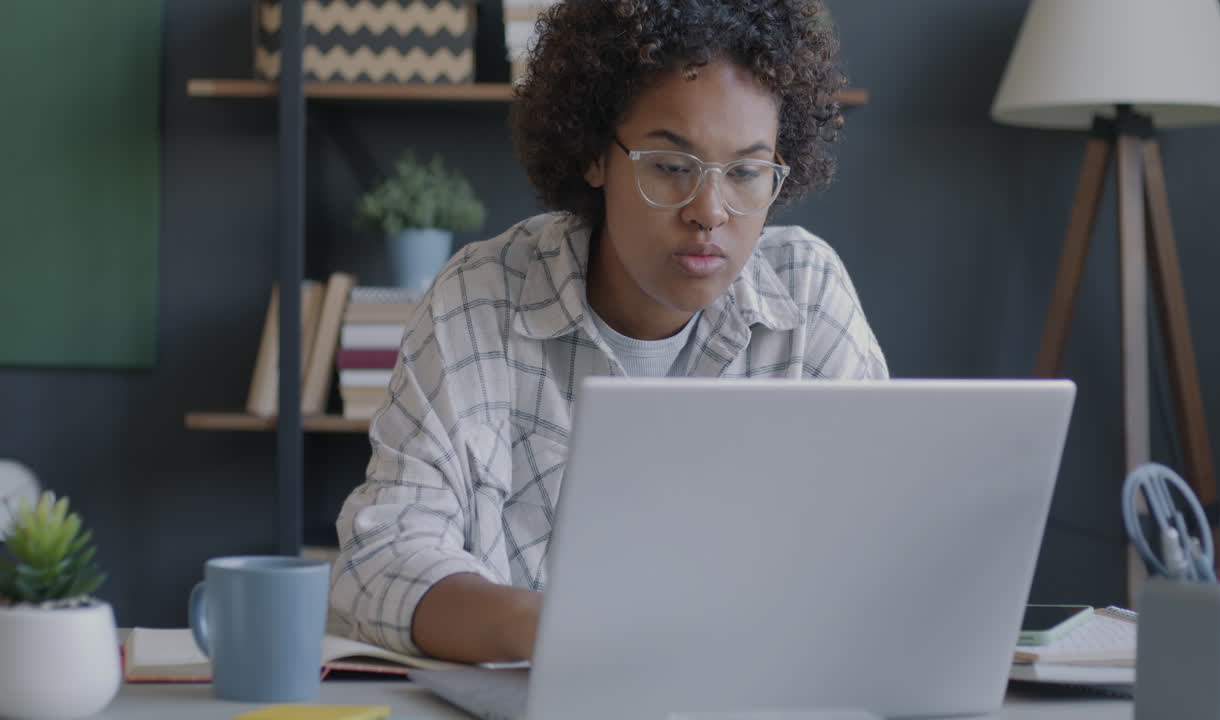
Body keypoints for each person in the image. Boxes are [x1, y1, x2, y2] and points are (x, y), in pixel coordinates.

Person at [331, 0, 889, 663]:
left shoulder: (808, 295)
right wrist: (565, 630)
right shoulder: (480, 298)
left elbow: (880, 543)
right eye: (671, 166)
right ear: (596, 154)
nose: (709, 211)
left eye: (745, 172)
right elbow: (381, 561)